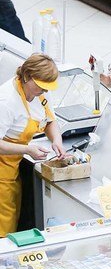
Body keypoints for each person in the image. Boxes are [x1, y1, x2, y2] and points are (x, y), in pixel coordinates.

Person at [0, 54, 65, 236]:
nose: (44, 91)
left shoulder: (41, 93)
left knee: (13, 212)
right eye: (41, 86)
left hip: (13, 164)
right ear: (27, 76)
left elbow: (50, 121)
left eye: (47, 87)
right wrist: (27, 149)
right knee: (4, 220)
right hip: (2, 166)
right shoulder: (6, 101)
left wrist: (57, 141)